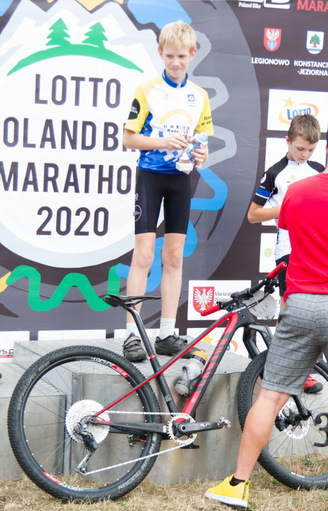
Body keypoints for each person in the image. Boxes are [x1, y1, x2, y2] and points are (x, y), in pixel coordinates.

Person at [205, 116, 328, 511]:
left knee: (270, 396)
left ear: (327, 148)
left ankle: (237, 484)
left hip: (300, 305)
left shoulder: (296, 193)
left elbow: (293, 232)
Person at [121, 21, 213, 361]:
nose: (176, 62)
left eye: (182, 57)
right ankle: (132, 335)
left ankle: (167, 333)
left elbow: (201, 141)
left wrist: (202, 155)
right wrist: (162, 141)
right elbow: (128, 138)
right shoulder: (147, 90)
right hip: (150, 177)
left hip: (181, 180)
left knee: (174, 257)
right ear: (160, 53)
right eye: (170, 56)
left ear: (193, 55)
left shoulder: (200, 96)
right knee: (144, 256)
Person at [247, 113, 325, 394]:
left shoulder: (320, 171)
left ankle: (304, 370)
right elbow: (253, 215)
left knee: (317, 309)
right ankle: (283, 371)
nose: (305, 155)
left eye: (311, 150)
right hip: (290, 248)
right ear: (288, 141)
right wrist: (286, 208)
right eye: (300, 148)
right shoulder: (275, 172)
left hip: (319, 248)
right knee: (291, 310)